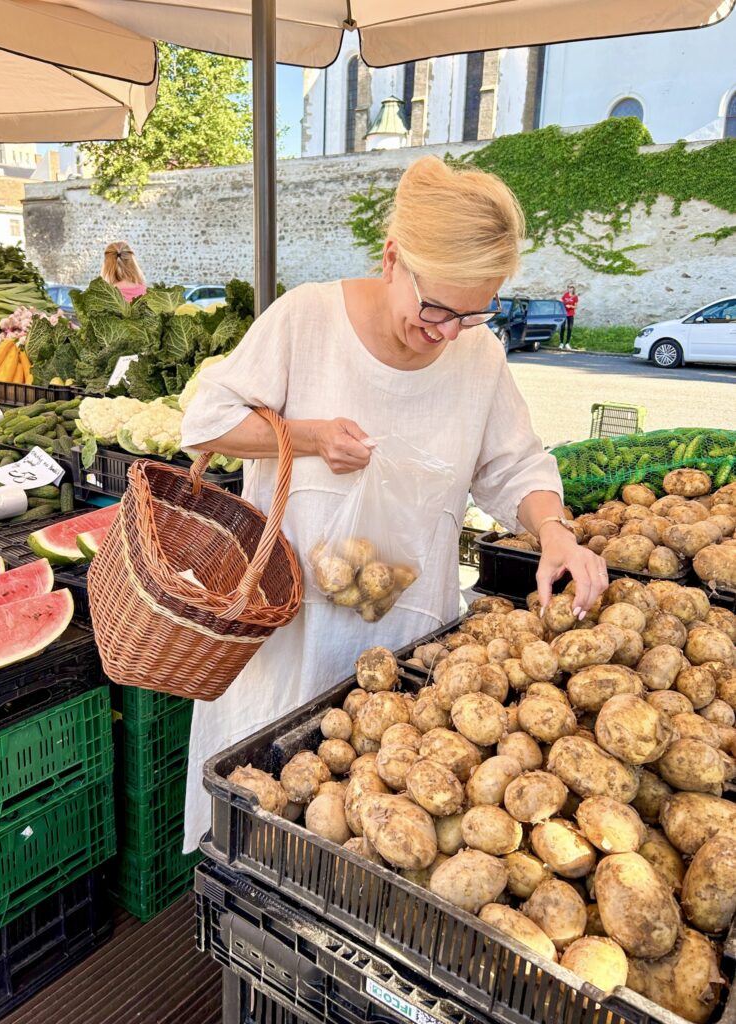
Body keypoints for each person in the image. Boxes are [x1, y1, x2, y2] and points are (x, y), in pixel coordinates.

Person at [179, 156, 608, 852]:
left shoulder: (478, 355)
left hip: (403, 648)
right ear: (390, 260)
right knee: (270, 817)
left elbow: (512, 463)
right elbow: (203, 426)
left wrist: (552, 531)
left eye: (473, 312)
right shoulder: (305, 321)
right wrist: (310, 436)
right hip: (290, 635)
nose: (446, 331)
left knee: (377, 833)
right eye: (436, 307)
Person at [560, 283, 579, 349]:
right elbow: (561, 302)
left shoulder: (575, 297)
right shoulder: (565, 295)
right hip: (564, 314)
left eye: (571, 287)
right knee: (562, 328)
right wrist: (562, 303)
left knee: (569, 329)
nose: (570, 289)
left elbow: (576, 306)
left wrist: (570, 306)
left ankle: (567, 343)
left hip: (570, 314)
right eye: (569, 287)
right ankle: (561, 343)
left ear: (573, 288)